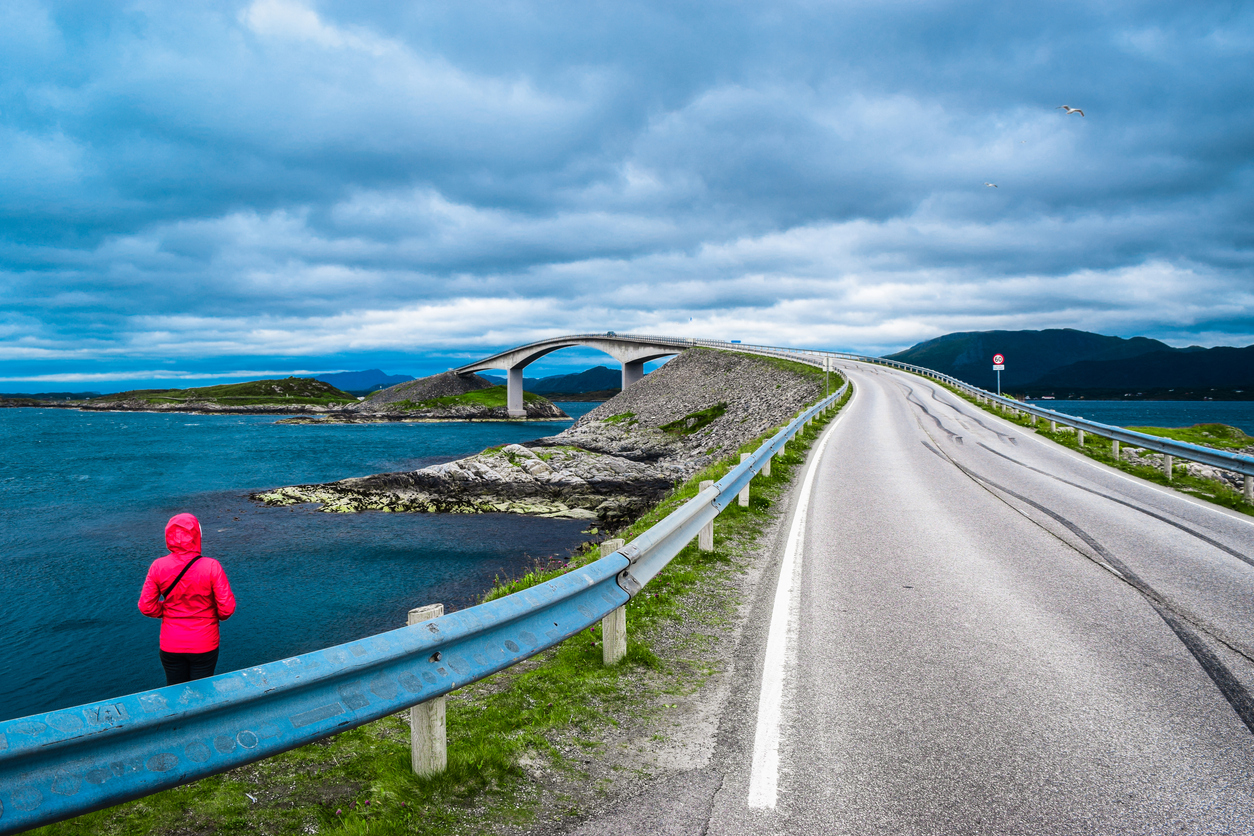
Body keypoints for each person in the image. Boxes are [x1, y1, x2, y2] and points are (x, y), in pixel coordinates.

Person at [138, 513, 236, 685]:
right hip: (204, 642)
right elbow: (226, 609)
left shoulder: (158, 566)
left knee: (175, 692)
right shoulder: (211, 566)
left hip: (171, 643)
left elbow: (146, 606)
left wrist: (169, 609)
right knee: (202, 693)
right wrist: (208, 612)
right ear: (197, 535)